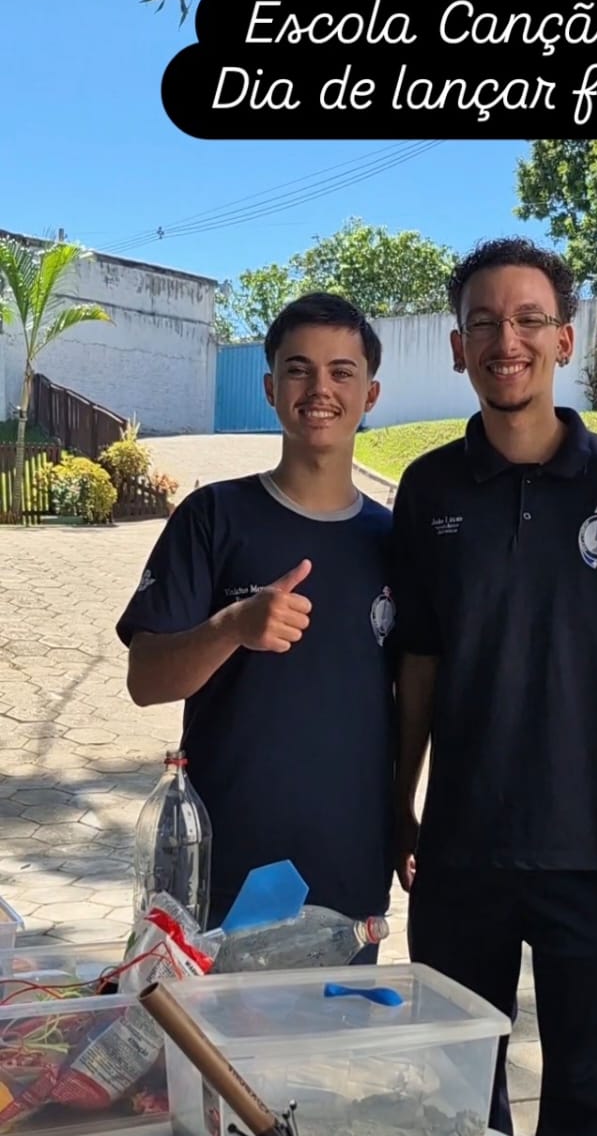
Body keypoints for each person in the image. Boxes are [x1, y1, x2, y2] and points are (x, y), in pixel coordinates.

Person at [391, 237, 597, 1136]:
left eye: (525, 320)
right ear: (458, 348)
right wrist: (400, 803)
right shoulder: (426, 491)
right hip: (461, 852)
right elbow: (417, 661)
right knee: (459, 1091)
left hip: (591, 853)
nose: (504, 340)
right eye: (481, 322)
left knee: (589, 1099)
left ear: (564, 335)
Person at [116, 292, 397, 943]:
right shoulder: (213, 519)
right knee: (202, 1047)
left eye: (341, 371)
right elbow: (145, 679)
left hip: (347, 871)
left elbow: (417, 689)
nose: (319, 388)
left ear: (371, 394)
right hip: (220, 874)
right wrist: (234, 626)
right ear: (271, 388)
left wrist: (406, 814)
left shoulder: (396, 540)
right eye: (299, 369)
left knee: (328, 1047)